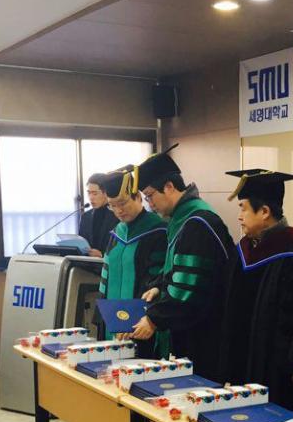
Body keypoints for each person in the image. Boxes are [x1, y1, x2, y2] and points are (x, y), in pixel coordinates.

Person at [218, 170, 293, 413]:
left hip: (279, 371)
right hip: (242, 364)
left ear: (264, 212)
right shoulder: (242, 251)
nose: (239, 216)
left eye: (243, 208)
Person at [128, 145, 234, 379]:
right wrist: (159, 286)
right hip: (190, 328)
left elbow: (189, 288)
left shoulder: (198, 223)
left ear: (169, 186)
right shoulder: (182, 219)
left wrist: (154, 319)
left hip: (203, 334)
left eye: (150, 196)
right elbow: (177, 270)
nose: (149, 204)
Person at [97, 168, 167, 357]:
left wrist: (135, 319)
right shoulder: (115, 233)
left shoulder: (159, 232)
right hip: (112, 325)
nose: (118, 210)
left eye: (122, 203)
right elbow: (105, 282)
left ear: (138, 197)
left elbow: (159, 282)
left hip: (141, 326)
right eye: (112, 205)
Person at [78, 173, 119, 257]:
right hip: (86, 262)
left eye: (95, 193)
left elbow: (120, 248)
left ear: (106, 193)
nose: (91, 198)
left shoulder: (118, 215)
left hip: (108, 263)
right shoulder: (85, 216)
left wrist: (102, 255)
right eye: (89, 193)